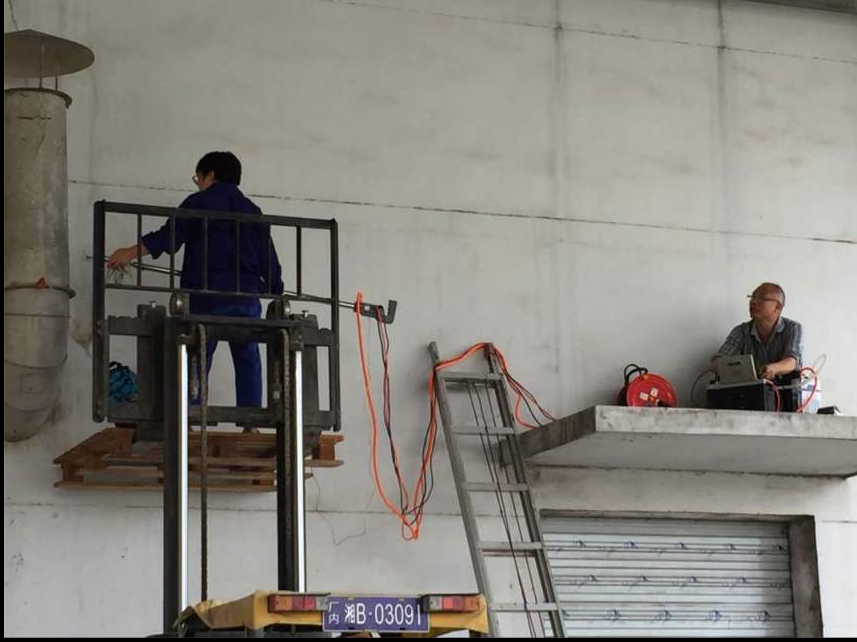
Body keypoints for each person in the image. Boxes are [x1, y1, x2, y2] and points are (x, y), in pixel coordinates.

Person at [107, 151, 283, 406]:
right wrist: (274, 289)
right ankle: (251, 417)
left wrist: (129, 253)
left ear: (209, 175)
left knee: (198, 354)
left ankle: (191, 413)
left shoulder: (199, 202)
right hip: (245, 298)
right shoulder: (252, 210)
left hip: (206, 297)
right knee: (248, 355)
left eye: (198, 178)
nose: (198, 184)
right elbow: (268, 256)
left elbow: (168, 237)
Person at [713, 282, 802, 380]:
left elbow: (792, 362)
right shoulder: (741, 331)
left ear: (778, 307)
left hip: (785, 387)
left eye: (761, 299)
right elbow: (718, 362)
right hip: (750, 388)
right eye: (752, 298)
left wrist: (773, 368)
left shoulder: (792, 328)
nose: (753, 302)